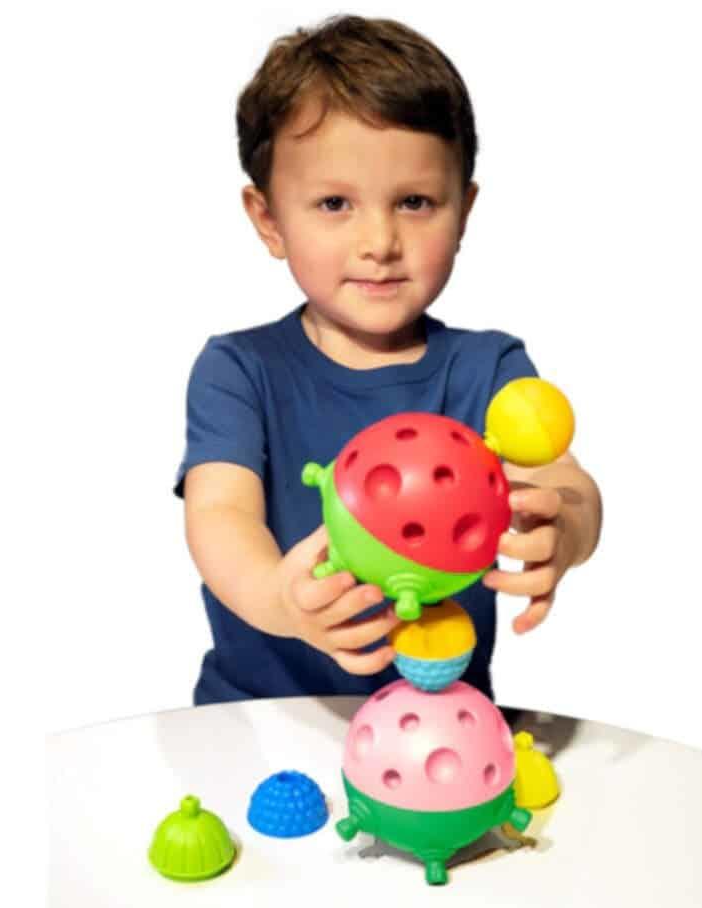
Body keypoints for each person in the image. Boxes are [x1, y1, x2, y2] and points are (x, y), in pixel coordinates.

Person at [175, 14, 602, 706]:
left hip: (441, 727)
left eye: (414, 202)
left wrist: (570, 529)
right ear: (269, 220)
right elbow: (220, 514)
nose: (380, 240)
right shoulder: (239, 369)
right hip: (256, 714)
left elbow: (562, 478)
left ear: (463, 211)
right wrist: (279, 600)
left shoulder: (488, 368)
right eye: (335, 203)